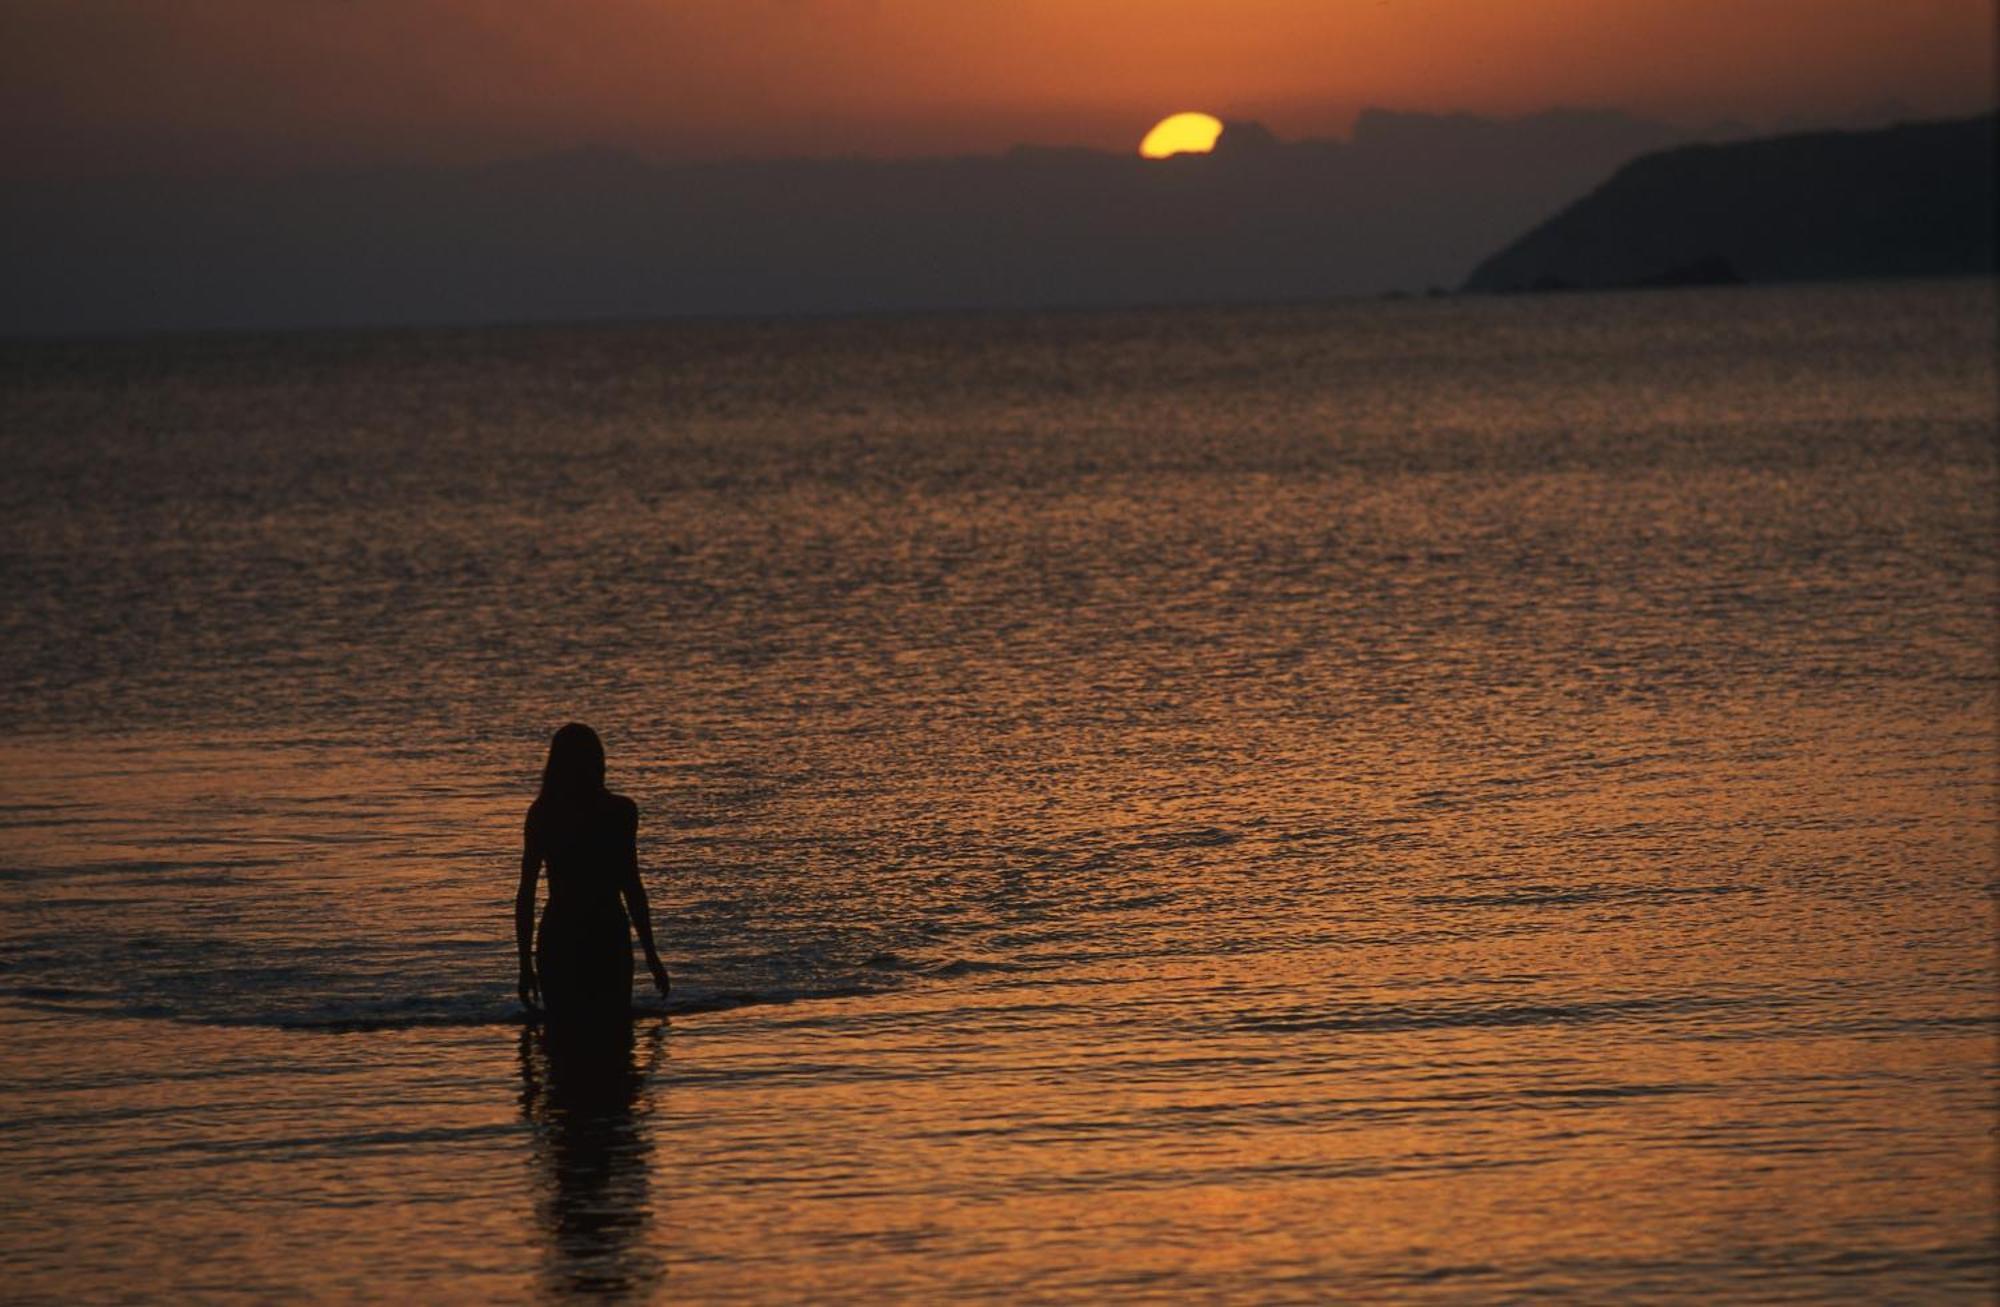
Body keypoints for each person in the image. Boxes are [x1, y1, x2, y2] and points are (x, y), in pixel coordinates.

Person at [517, 723, 671, 1021]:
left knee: (561, 1045)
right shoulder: (618, 811)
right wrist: (651, 954)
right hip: (603, 933)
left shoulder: (544, 813)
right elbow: (632, 886)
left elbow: (526, 893)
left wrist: (525, 964)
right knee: (615, 1044)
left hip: (568, 935)